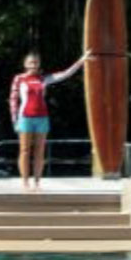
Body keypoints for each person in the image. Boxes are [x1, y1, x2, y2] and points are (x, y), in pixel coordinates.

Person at [9, 51, 89, 190]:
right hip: (25, 117)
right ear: (25, 64)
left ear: (39, 64)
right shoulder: (19, 78)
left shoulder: (44, 78)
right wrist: (14, 120)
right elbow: (13, 99)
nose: (33, 65)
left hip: (42, 117)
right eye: (30, 62)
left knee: (40, 151)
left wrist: (82, 60)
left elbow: (66, 74)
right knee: (25, 150)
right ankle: (25, 182)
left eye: (36, 62)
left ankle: (37, 182)